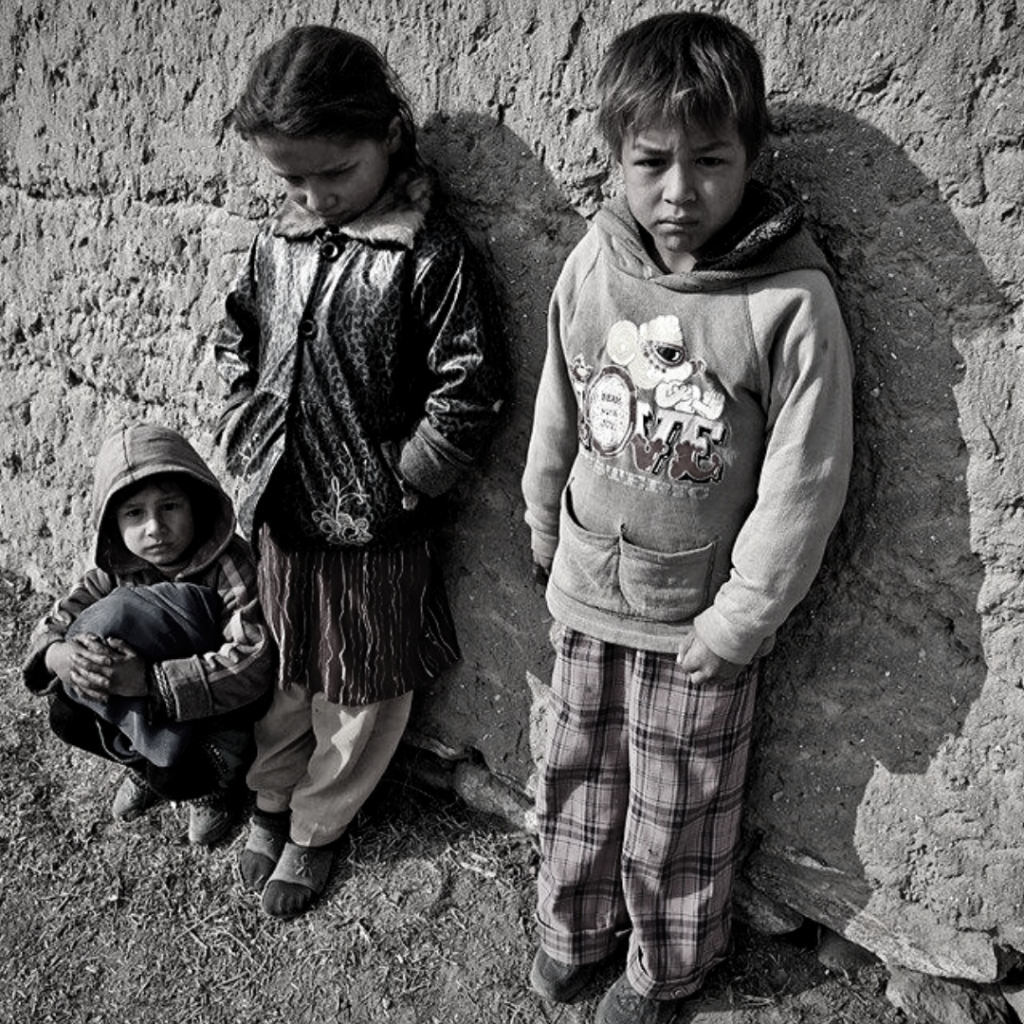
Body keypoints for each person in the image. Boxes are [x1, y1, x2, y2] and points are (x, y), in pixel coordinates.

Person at [521, 12, 854, 1023]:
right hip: (587, 589)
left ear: (754, 157)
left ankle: (663, 970)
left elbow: (805, 481)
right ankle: (572, 929)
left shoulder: (785, 302)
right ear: (612, 157)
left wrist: (739, 621)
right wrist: (543, 524)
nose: (679, 191)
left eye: (710, 161)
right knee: (572, 775)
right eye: (651, 161)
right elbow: (560, 401)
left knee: (680, 810)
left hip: (696, 628)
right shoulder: (594, 264)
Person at [214, 25, 506, 920]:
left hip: (376, 524)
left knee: (362, 688)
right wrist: (242, 419)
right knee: (286, 668)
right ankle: (270, 795)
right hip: (283, 509)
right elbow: (239, 334)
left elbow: (469, 385)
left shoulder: (427, 256)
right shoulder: (278, 245)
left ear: (389, 134)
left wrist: (406, 478)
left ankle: (316, 824)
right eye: (292, 182)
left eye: (334, 173)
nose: (315, 197)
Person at [22, 423, 275, 846]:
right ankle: (141, 764)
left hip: (215, 715)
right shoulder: (117, 566)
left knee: (176, 775)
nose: (155, 528)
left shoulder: (228, 565)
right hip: (148, 709)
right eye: (134, 514)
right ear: (113, 522)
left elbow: (253, 659)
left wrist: (150, 682)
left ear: (196, 504)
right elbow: (61, 616)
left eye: (170, 506)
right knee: (66, 715)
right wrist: (56, 655)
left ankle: (214, 789)